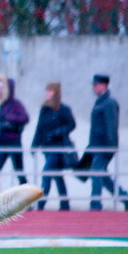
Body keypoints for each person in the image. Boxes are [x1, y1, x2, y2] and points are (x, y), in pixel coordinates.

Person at [82, 74, 128, 211]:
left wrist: (110, 147)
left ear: (103, 85)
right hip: (96, 146)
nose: (93, 87)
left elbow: (111, 126)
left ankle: (95, 204)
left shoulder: (109, 103)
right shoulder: (101, 102)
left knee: (96, 173)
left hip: (104, 147)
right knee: (103, 176)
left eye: (96, 85)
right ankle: (126, 198)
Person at [31, 82, 76, 211]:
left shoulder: (63, 109)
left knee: (46, 173)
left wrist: (59, 132)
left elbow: (72, 124)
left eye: (50, 91)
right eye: (47, 91)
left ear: (56, 93)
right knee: (57, 176)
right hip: (47, 148)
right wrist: (34, 145)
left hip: (58, 148)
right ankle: (65, 203)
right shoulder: (44, 110)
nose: (47, 93)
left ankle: (40, 204)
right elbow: (39, 128)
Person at [0, 74, 30, 196]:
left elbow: (25, 118)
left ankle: (27, 196)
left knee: (19, 172)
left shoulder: (16, 104)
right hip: (2, 143)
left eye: (1, 88)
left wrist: (11, 120)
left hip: (14, 142)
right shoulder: (2, 105)